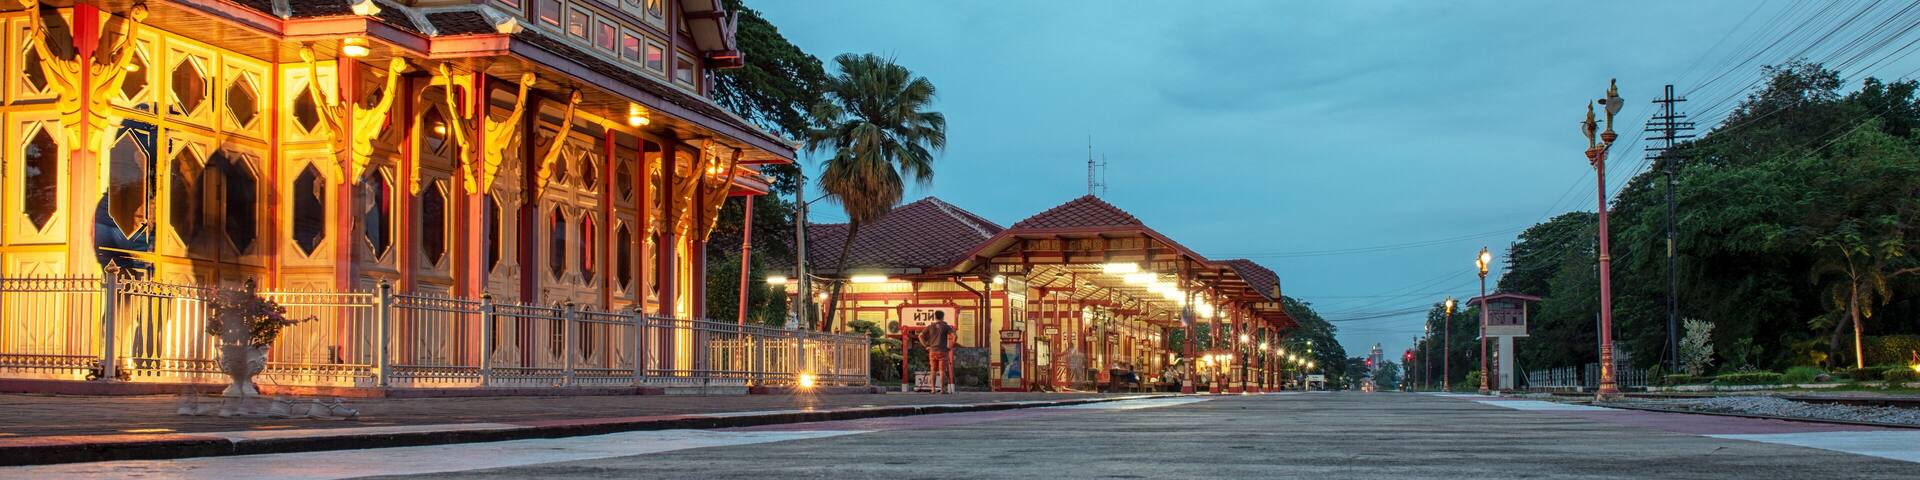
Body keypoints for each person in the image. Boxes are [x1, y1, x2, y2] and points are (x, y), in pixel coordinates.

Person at [918, 311, 955, 394]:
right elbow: (954, 336)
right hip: (943, 351)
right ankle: (942, 389)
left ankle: (933, 389)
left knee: (933, 370)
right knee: (942, 371)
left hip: (932, 351)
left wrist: (926, 346)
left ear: (935, 317)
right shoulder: (946, 326)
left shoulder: (930, 326)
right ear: (943, 317)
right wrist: (950, 347)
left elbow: (920, 336)